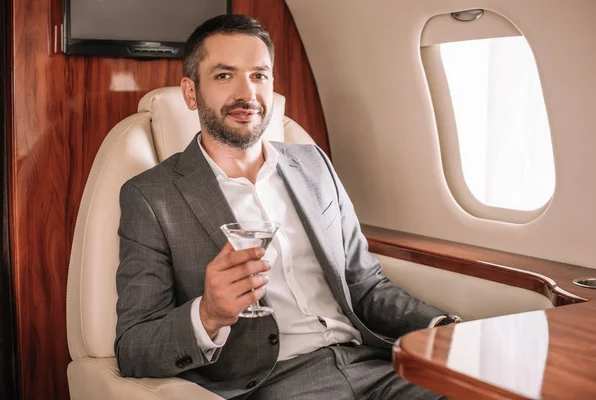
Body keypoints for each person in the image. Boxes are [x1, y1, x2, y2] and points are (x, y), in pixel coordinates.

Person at [115, 13, 458, 400]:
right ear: (191, 92)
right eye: (224, 76)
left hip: (373, 365)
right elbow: (133, 348)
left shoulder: (315, 164)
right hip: (276, 383)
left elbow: (365, 287)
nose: (247, 94)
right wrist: (208, 313)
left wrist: (441, 326)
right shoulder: (151, 197)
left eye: (259, 75)